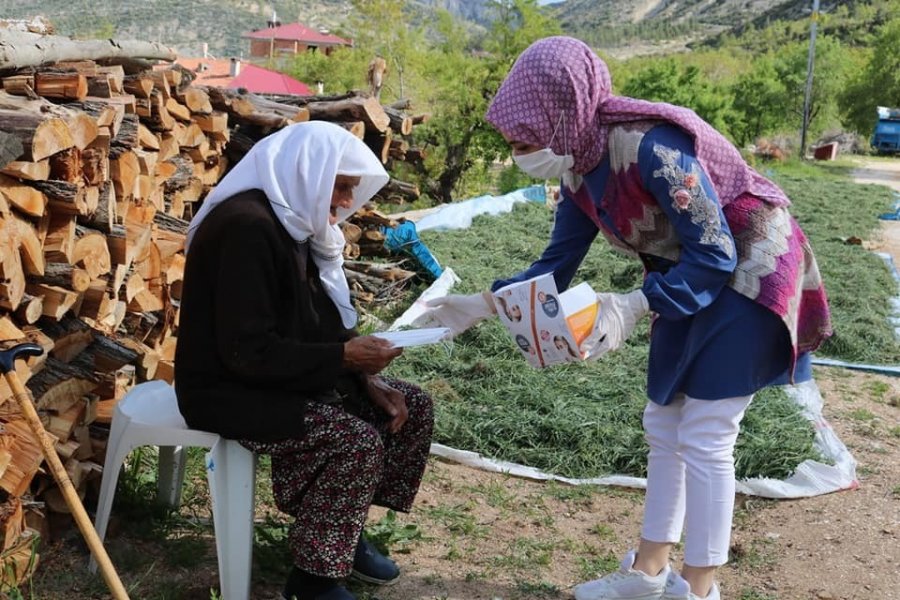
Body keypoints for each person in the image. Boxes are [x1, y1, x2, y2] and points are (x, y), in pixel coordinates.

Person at [417, 37, 831, 600]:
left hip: (749, 268)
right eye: (512, 141)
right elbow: (554, 266)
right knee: (663, 423)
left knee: (707, 433)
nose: (518, 150)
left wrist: (634, 305)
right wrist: (486, 305)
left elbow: (716, 252)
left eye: (525, 137)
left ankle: (699, 587)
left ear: (563, 111)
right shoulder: (576, 168)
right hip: (688, 271)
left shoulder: (649, 149)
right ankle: (648, 572)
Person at [174, 121, 435, 600]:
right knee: (352, 440)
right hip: (227, 390)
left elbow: (311, 320)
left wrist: (360, 373)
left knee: (410, 406)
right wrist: (343, 357)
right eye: (340, 187)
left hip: (276, 377)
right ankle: (312, 580)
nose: (343, 202)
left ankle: (339, 528)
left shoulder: (294, 221)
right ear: (308, 172)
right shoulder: (247, 230)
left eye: (350, 190)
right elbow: (246, 353)